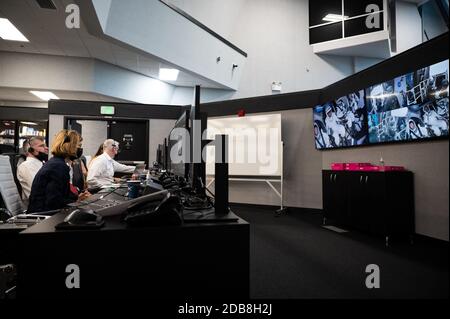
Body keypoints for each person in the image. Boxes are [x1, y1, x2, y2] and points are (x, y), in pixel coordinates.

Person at [27, 130, 91, 213]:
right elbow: (54, 202)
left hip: (44, 212)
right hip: (43, 217)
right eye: (78, 145)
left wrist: (77, 198)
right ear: (70, 146)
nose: (80, 149)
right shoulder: (59, 166)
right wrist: (77, 201)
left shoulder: (56, 162)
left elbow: (59, 195)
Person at [16, 136, 49, 204]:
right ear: (30, 150)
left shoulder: (41, 164)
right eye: (42, 146)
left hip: (46, 202)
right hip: (38, 206)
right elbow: (40, 189)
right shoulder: (26, 166)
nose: (46, 148)